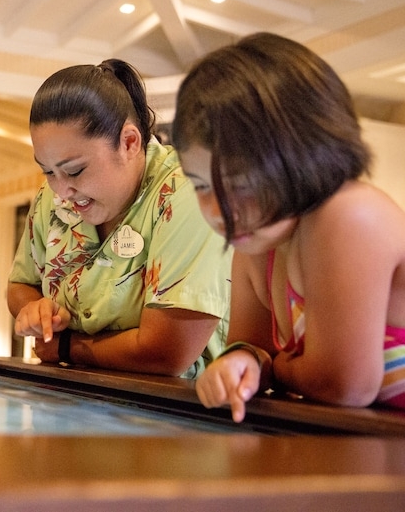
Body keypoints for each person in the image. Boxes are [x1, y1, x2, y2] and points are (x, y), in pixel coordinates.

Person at [173, 33, 405, 421]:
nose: (219, 211)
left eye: (242, 183)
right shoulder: (257, 247)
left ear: (308, 153)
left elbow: (344, 385)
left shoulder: (350, 214)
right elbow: (249, 350)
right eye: (201, 185)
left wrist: (270, 366)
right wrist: (241, 363)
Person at [8, 60, 231, 379]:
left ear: (129, 142)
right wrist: (34, 310)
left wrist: (65, 347)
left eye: (74, 170)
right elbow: (20, 283)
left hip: (185, 412)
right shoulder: (53, 195)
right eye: (47, 171)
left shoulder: (187, 194)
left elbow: (167, 354)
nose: (61, 189)